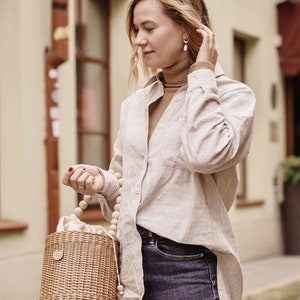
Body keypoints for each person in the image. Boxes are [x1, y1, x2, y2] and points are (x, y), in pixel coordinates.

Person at [62, 0, 256, 299]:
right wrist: (104, 182)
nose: (139, 39)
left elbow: (205, 155)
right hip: (130, 266)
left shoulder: (234, 97)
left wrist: (203, 71)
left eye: (149, 28)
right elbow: (127, 187)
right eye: (137, 29)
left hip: (187, 267)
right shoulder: (135, 105)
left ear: (187, 31)